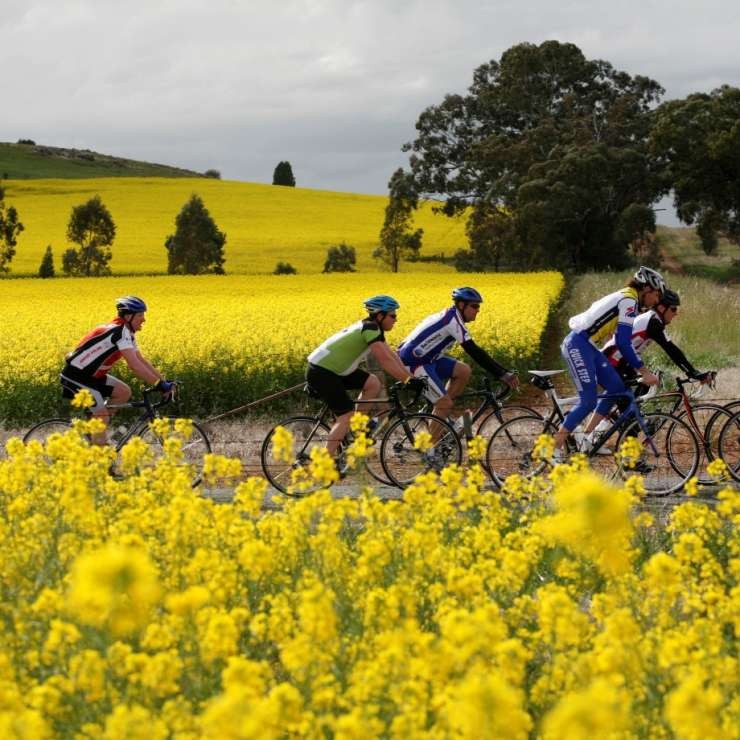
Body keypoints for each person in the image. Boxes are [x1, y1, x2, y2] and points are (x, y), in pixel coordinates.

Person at [553, 266, 665, 455]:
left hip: (587, 345)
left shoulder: (628, 297)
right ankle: (553, 449)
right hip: (577, 344)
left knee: (617, 387)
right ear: (646, 289)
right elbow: (623, 342)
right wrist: (643, 371)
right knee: (588, 401)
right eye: (656, 296)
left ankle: (587, 440)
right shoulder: (629, 300)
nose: (656, 301)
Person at [306, 295, 423, 457]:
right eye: (392, 315)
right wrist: (407, 380)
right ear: (380, 316)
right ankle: (325, 460)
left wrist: (410, 378)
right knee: (345, 415)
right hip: (323, 371)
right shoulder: (370, 328)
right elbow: (384, 360)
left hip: (334, 370)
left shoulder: (373, 328)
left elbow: (391, 356)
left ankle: (357, 427)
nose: (395, 319)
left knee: (372, 383)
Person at [60, 296, 174, 444]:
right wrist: (159, 385)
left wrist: (164, 381)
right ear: (128, 316)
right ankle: (100, 460)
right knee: (103, 417)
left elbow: (141, 360)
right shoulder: (119, 332)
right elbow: (134, 365)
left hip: (93, 376)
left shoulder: (127, 333)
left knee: (124, 392)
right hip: (77, 376)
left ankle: (93, 433)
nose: (144, 319)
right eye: (140, 315)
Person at [397, 287, 519, 423]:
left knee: (463, 371)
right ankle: (430, 442)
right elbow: (473, 350)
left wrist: (501, 372)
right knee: (445, 404)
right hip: (413, 363)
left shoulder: (453, 316)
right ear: (461, 305)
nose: (478, 310)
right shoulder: (452, 321)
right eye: (474, 306)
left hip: (428, 359)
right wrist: (502, 373)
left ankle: (441, 415)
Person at [602, 288, 713, 386]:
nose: (676, 313)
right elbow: (671, 350)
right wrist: (693, 372)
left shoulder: (653, 319)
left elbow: (671, 348)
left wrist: (692, 372)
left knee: (643, 388)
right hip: (611, 360)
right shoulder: (653, 323)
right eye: (673, 309)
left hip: (621, 362)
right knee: (624, 397)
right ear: (661, 308)